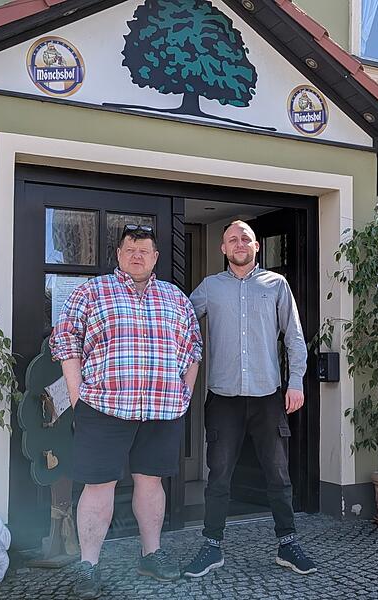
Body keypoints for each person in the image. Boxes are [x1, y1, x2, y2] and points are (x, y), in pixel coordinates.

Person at [50, 225, 202, 599]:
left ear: (155, 258)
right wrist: (76, 397)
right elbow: (65, 339)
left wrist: (184, 395)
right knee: (98, 485)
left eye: (145, 250)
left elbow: (193, 347)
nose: (137, 255)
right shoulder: (92, 291)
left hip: (162, 409)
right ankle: (89, 565)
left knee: (152, 482)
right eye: (130, 249)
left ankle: (151, 554)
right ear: (119, 255)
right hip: (103, 407)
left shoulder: (175, 297)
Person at [183, 220, 316, 578]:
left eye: (245, 238)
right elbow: (179, 324)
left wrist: (297, 382)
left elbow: (295, 336)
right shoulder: (210, 288)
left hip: (268, 397)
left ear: (256, 247)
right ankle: (211, 547)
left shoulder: (276, 285)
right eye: (232, 239)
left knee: (278, 473)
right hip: (223, 399)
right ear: (223, 249)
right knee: (219, 475)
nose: (239, 243)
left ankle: (287, 543)